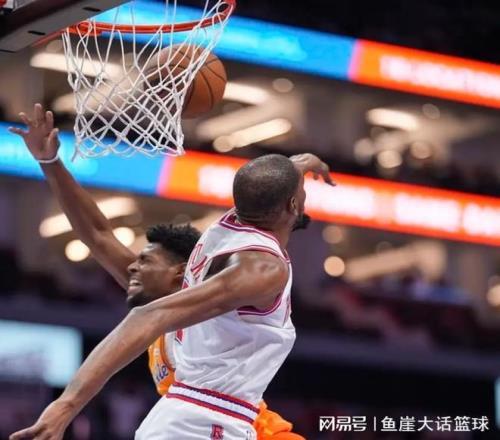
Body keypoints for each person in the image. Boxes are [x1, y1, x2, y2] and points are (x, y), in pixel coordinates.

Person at [9, 104, 334, 440]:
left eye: (147, 261)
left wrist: (300, 165)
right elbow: (99, 235)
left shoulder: (226, 254)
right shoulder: (216, 280)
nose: (133, 265)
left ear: (182, 273)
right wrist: (50, 161)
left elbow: (266, 186)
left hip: (234, 422)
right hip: (204, 421)